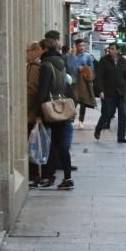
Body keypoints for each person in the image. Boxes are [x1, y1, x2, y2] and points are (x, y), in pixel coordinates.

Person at [36, 35, 74, 190]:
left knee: (50, 144)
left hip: (50, 108)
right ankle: (67, 177)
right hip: (62, 105)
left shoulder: (45, 65)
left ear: (45, 48)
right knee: (62, 145)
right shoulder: (61, 63)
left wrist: (39, 111)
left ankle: (48, 176)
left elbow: (43, 91)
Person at [94, 43, 126, 143]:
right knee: (107, 114)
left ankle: (121, 137)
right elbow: (99, 77)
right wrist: (100, 90)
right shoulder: (104, 61)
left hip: (121, 92)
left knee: (123, 115)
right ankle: (98, 128)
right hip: (109, 92)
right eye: (110, 48)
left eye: (113, 49)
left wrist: (125, 86)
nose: (110, 50)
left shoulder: (122, 61)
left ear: (118, 50)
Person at [26, 41, 44, 187]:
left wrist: (29, 111)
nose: (26, 54)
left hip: (31, 114)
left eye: (27, 51)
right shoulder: (39, 66)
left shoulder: (33, 68)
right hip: (35, 112)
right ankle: (36, 174)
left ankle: (34, 175)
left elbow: (31, 91)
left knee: (31, 144)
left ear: (35, 51)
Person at [66, 39, 96, 124]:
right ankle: (71, 118)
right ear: (75, 46)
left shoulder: (87, 56)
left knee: (83, 101)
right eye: (79, 46)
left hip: (83, 82)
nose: (82, 47)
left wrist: (84, 68)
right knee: (73, 100)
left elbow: (92, 69)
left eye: (83, 45)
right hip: (74, 82)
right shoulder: (71, 56)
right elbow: (69, 67)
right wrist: (72, 55)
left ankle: (81, 120)